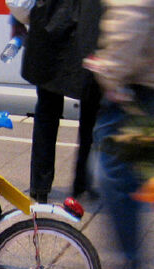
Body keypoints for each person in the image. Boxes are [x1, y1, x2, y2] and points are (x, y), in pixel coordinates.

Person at [86, 0, 154, 269]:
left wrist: (108, 71)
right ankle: (128, 261)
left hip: (136, 93)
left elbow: (130, 19)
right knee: (139, 176)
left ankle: (126, 263)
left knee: (114, 175)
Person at [9, 0, 103, 203]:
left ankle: (39, 186)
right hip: (89, 26)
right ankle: (82, 185)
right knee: (91, 111)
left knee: (46, 111)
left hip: (49, 21)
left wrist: (14, 20)